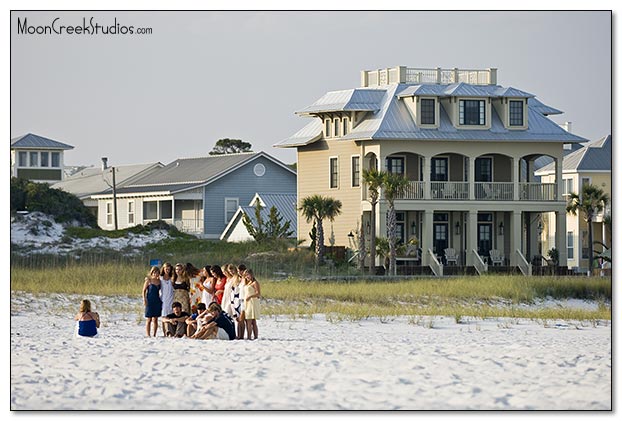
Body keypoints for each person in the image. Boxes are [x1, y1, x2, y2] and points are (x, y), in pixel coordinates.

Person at [142, 266, 162, 337]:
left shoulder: (159, 281)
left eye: (157, 272)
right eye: (154, 272)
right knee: (149, 319)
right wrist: (144, 299)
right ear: (152, 272)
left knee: (155, 319)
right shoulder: (148, 281)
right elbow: (143, 291)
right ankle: (148, 334)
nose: (155, 274)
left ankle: (154, 334)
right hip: (149, 300)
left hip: (157, 300)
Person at [243, 268, 261, 340]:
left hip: (252, 302)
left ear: (251, 274)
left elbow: (258, 294)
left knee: (250, 320)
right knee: (251, 321)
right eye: (246, 275)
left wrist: (250, 296)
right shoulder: (248, 283)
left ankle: (250, 336)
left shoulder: (255, 283)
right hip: (247, 303)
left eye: (248, 275)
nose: (247, 277)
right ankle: (251, 336)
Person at [234, 264, 247, 339]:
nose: (238, 273)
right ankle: (239, 335)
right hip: (238, 300)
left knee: (242, 319)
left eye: (239, 271)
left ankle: (241, 335)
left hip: (244, 300)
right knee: (238, 319)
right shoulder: (239, 279)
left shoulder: (245, 279)